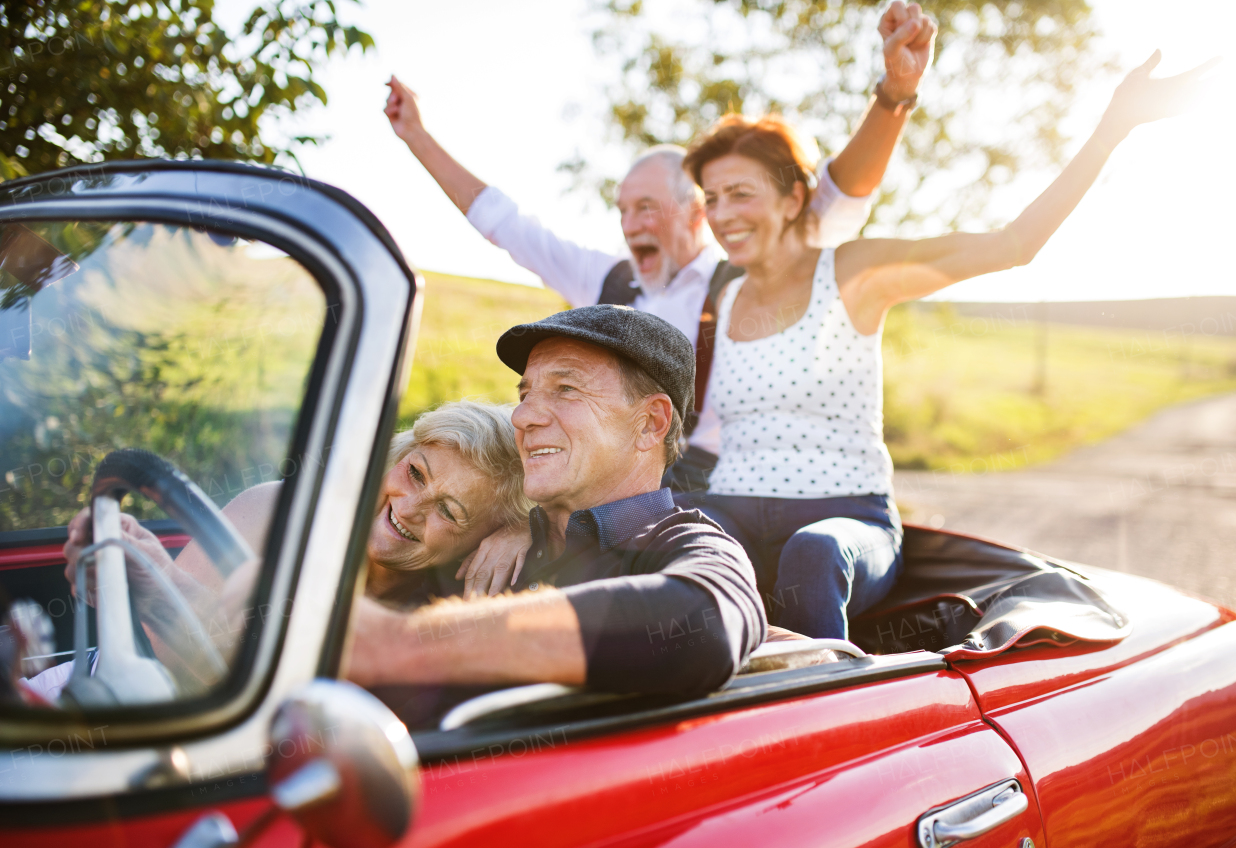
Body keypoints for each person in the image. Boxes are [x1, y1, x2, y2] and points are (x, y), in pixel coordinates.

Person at [678, 50, 1219, 641]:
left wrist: (1114, 126)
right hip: (733, 507)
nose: (723, 214)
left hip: (843, 522)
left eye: (740, 193)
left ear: (793, 200)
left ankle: (818, 708)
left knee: (813, 552)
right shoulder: (722, 302)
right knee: (644, 531)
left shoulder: (853, 273)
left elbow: (1015, 243)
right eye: (712, 198)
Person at [383, 2, 938, 497]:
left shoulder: (751, 278)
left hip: (711, 483)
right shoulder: (610, 283)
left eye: (646, 208)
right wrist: (417, 137)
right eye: (622, 210)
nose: (630, 224)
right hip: (613, 476)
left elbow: (837, 199)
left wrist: (894, 93)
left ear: (698, 211)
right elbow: (506, 224)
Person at [346, 306, 766, 701]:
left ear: (650, 423)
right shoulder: (483, 531)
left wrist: (400, 643)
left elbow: (703, 623)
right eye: (526, 392)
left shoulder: (685, 545)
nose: (523, 416)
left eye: (566, 389)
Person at [55, 401, 536, 696]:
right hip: (112, 695)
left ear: (478, 545)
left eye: (449, 512)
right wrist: (151, 578)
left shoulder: (448, 610)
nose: (408, 509)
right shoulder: (276, 510)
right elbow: (161, 660)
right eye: (415, 473)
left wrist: (525, 529)